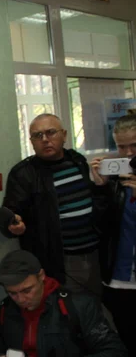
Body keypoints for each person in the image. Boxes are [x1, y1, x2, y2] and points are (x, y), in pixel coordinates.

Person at [0, 113, 106, 295]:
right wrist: (12, 224)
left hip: (95, 253)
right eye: (38, 136)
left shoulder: (78, 161)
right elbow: (10, 214)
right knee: (69, 312)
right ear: (31, 141)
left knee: (96, 308)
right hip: (60, 261)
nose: (45, 139)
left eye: (50, 132)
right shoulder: (24, 173)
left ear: (64, 135)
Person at [0, 249, 126, 357]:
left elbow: (114, 350)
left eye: (27, 290)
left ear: (41, 276)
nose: (20, 299)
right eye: (12, 293)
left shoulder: (78, 305)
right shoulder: (5, 310)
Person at [90, 114, 136, 355]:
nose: (127, 153)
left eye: (134, 145)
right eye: (121, 146)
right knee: (128, 338)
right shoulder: (115, 179)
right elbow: (100, 226)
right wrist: (100, 188)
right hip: (120, 279)